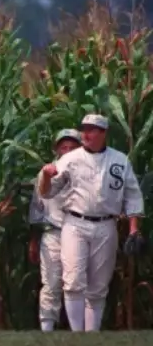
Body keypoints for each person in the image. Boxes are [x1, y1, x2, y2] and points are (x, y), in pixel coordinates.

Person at [38, 114, 144, 331]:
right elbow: (47, 193)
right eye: (84, 129)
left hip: (106, 224)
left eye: (92, 129)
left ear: (104, 133)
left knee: (98, 286)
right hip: (75, 223)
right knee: (74, 280)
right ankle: (78, 334)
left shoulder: (119, 160)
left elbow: (132, 195)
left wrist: (134, 229)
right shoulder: (70, 159)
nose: (86, 133)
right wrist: (47, 176)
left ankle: (92, 334)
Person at [28, 128, 81, 332]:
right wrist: (33, 239)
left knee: (77, 282)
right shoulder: (46, 173)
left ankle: (80, 328)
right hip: (53, 232)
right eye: (63, 146)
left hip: (79, 231)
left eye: (72, 147)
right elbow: (36, 208)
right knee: (50, 281)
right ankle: (47, 326)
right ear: (56, 149)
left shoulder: (86, 172)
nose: (67, 150)